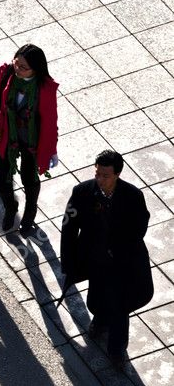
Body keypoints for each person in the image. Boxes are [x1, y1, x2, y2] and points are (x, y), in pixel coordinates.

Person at [60, 151, 153, 369]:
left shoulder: (133, 196)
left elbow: (140, 227)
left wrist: (120, 249)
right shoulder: (82, 193)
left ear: (117, 174)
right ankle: (101, 320)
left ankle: (117, 350)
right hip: (95, 259)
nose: (100, 180)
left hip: (123, 263)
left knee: (120, 305)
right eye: (97, 174)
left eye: (105, 175)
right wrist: (69, 262)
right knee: (96, 298)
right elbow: (69, 227)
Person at [0, 44, 59, 235]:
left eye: (24, 68)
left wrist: (51, 150)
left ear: (36, 69)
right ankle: (11, 207)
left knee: (29, 178)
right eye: (17, 63)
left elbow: (50, 120)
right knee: (0, 180)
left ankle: (30, 211)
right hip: (8, 137)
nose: (18, 69)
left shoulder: (45, 88)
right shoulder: (6, 73)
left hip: (33, 142)